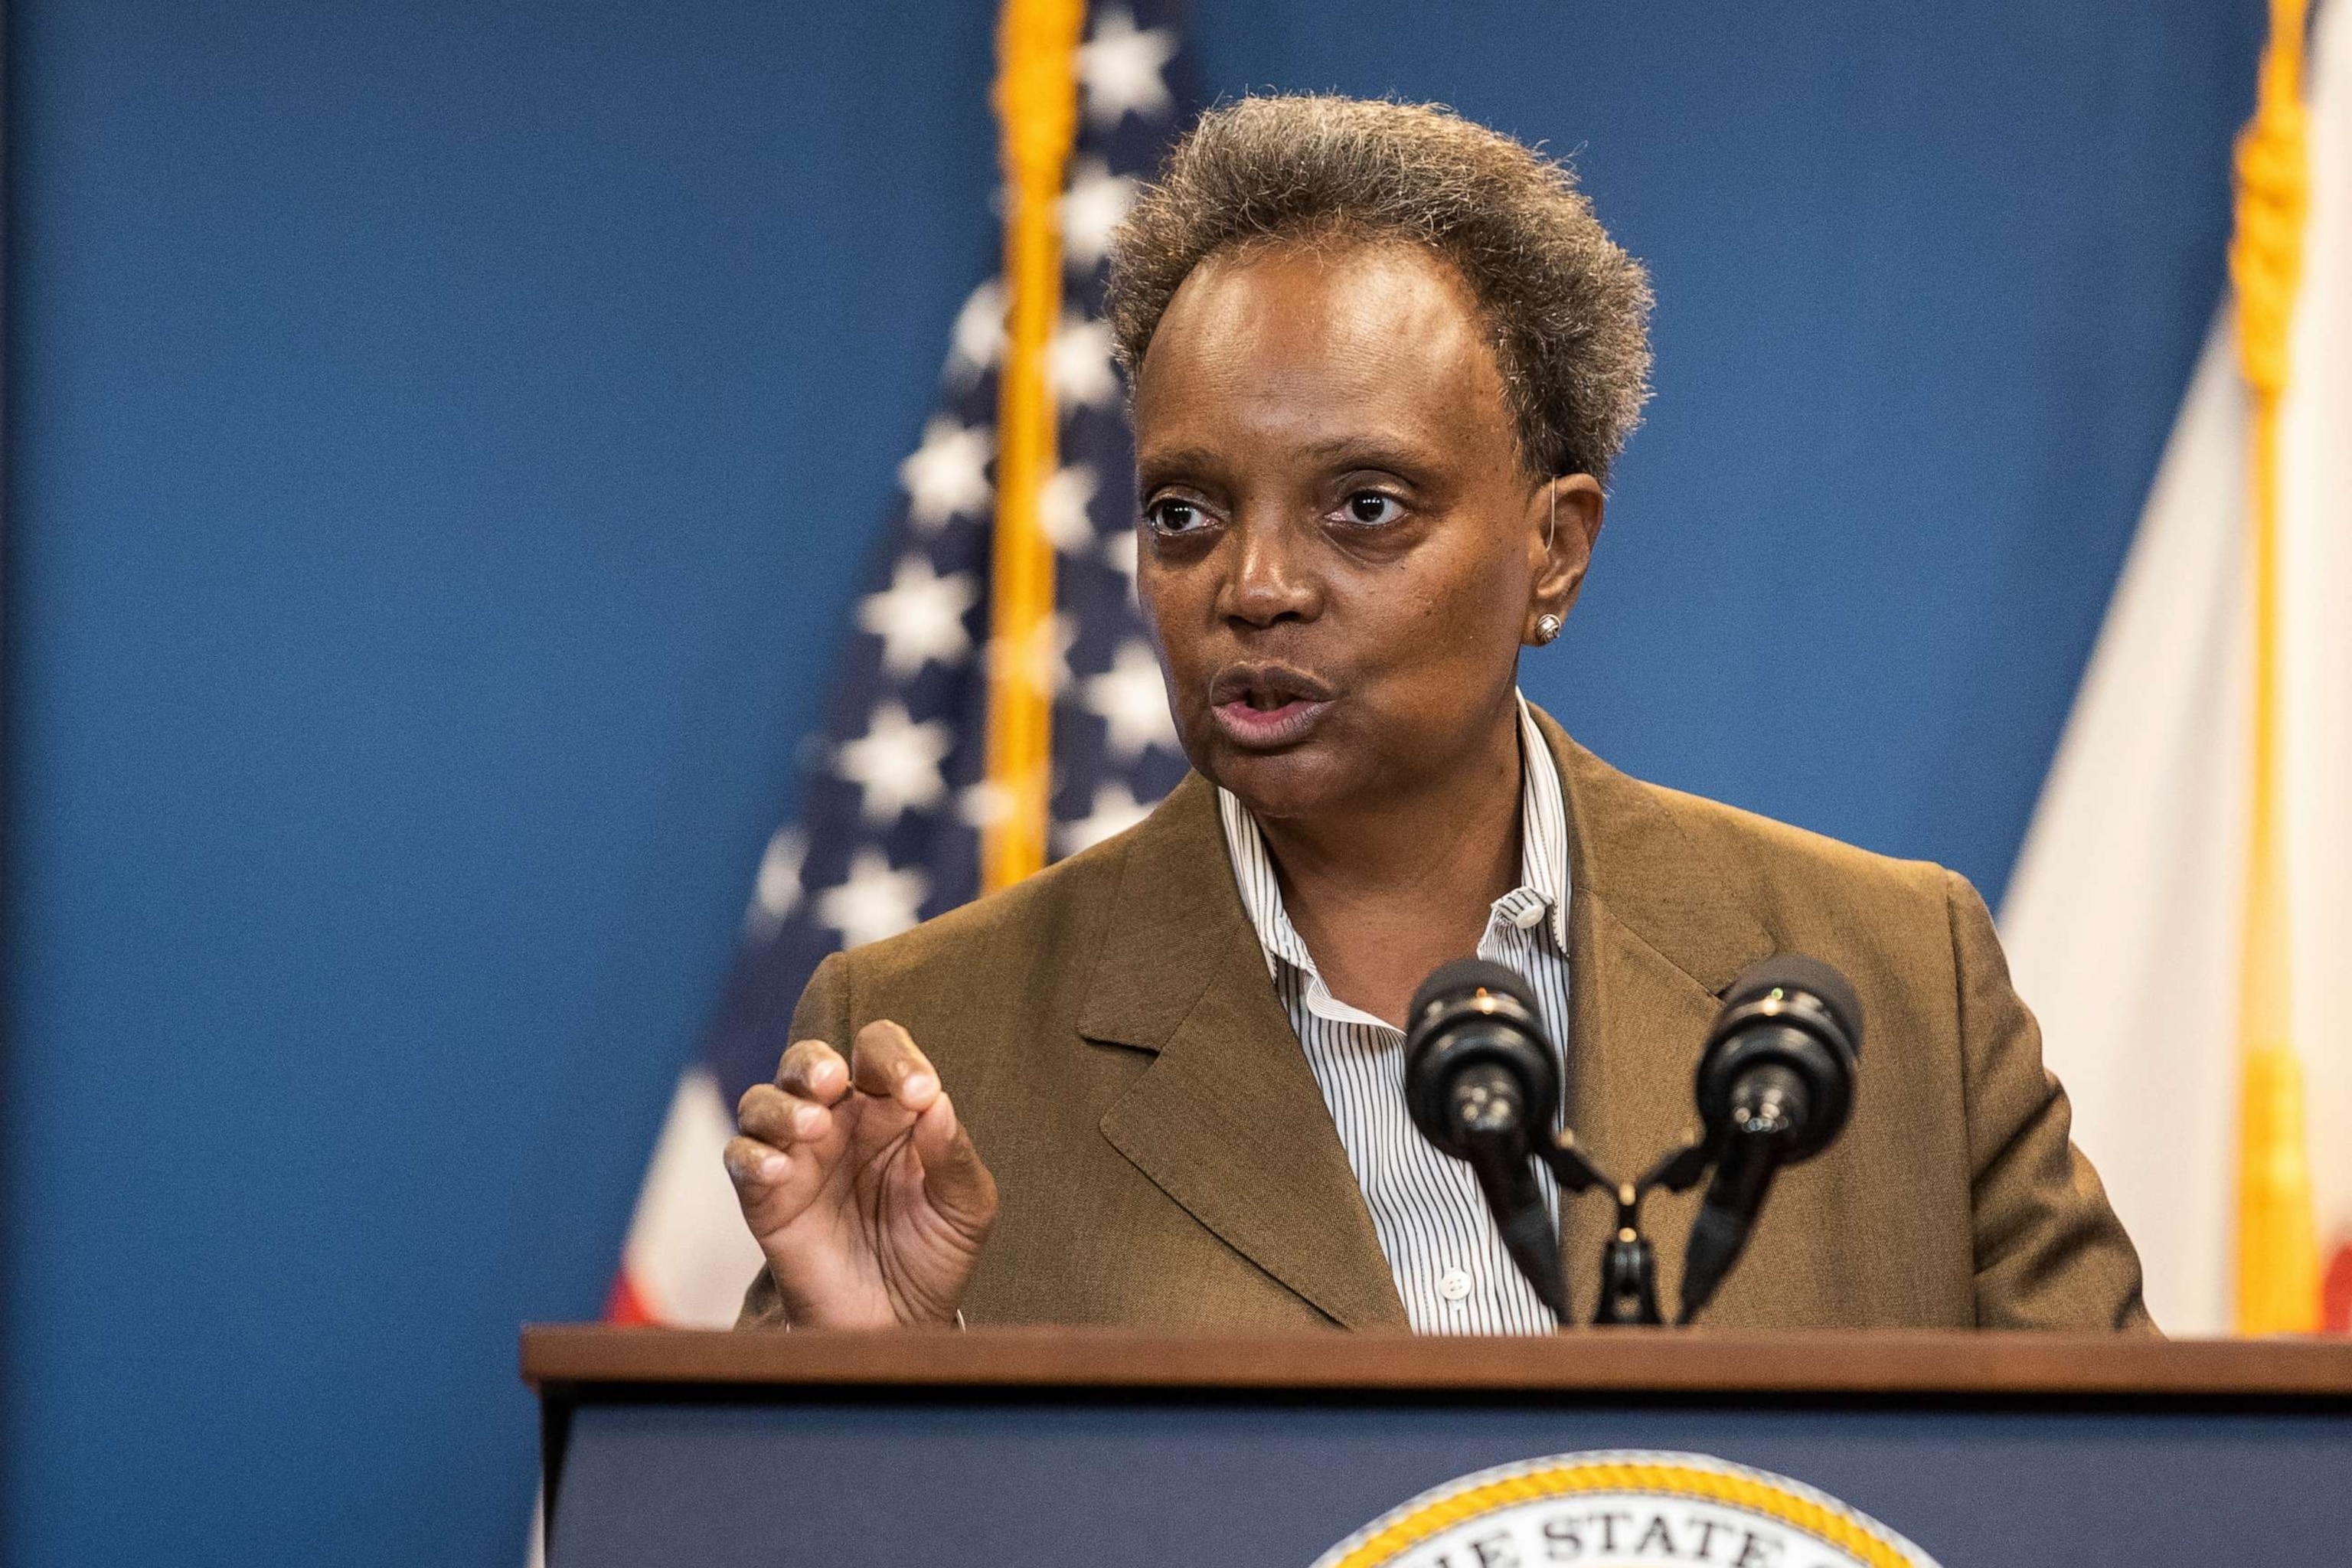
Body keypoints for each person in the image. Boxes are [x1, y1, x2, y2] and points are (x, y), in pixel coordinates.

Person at [724, 94, 2151, 1334]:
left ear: (1556, 549)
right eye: (1184, 514)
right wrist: (874, 1369)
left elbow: (2124, 1517)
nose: (1256, 586)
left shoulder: (1898, 989)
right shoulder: (925, 1049)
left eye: (1365, 507)